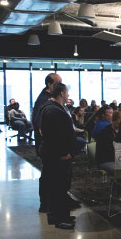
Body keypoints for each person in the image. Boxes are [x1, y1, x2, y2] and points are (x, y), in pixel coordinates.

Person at [39, 83, 77, 229]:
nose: (68, 95)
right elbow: (52, 135)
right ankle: (58, 218)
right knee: (57, 187)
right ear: (61, 93)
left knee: (60, 187)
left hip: (57, 155)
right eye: (66, 92)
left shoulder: (54, 108)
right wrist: (63, 153)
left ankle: (61, 215)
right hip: (57, 157)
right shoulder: (52, 110)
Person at [32, 73, 62, 212]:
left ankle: (52, 201)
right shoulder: (44, 100)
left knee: (52, 173)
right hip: (48, 146)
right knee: (48, 173)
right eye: (58, 83)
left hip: (50, 145)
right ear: (49, 84)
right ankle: (45, 203)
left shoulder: (48, 99)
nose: (60, 85)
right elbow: (40, 126)